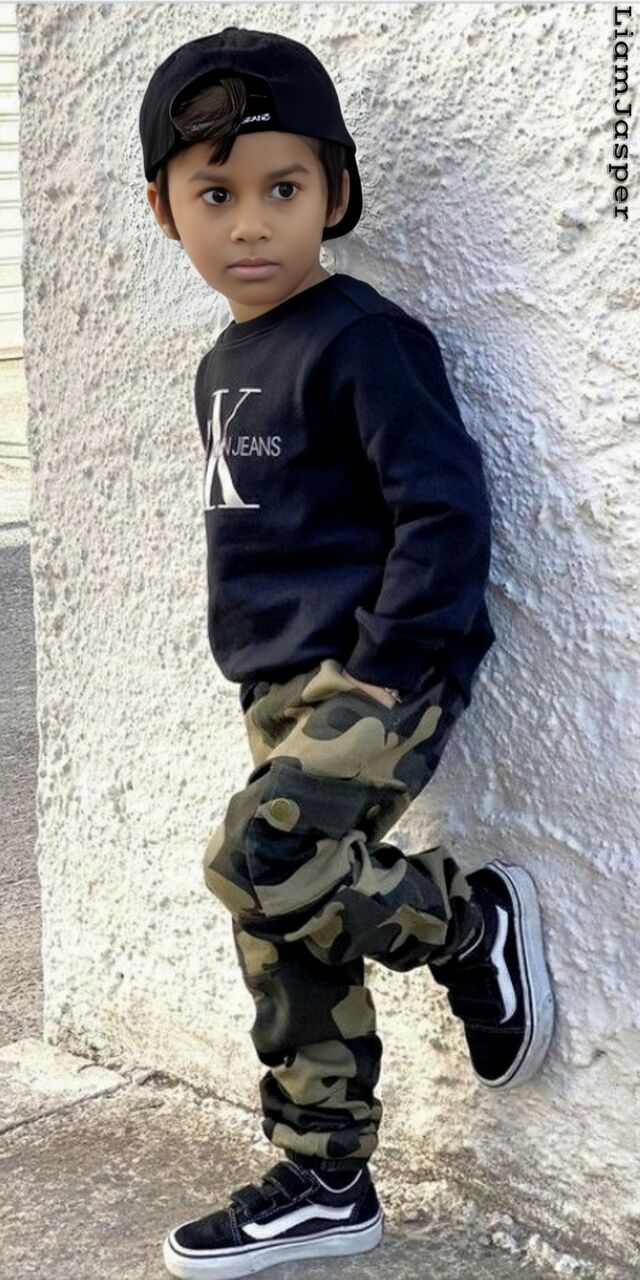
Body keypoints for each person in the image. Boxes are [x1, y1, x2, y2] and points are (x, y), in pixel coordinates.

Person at [139, 24, 556, 1280]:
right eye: (216, 193)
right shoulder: (225, 359)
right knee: (281, 919)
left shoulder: (361, 337)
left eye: (284, 188)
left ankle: (464, 923)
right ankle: (326, 1175)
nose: (251, 223)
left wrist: (384, 662)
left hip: (380, 670)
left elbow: (444, 508)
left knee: (256, 857)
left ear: (336, 191)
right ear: (163, 209)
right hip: (279, 686)